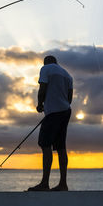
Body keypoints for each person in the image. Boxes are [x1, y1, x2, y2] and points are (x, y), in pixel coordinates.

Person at [28, 55, 73, 191]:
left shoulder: (46, 68)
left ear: (46, 62)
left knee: (45, 144)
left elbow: (43, 88)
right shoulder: (68, 75)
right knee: (61, 147)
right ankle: (63, 184)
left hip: (53, 112)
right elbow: (69, 98)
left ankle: (44, 183)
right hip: (65, 111)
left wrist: (40, 104)